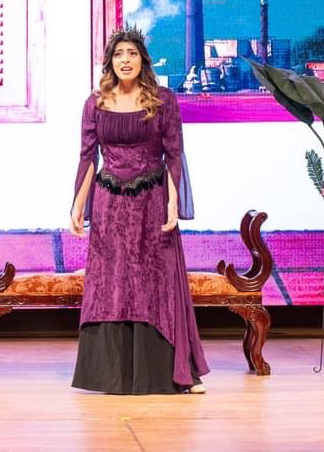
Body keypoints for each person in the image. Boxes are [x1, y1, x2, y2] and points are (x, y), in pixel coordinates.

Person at [70, 26, 209, 395]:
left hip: (151, 203)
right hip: (110, 205)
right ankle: (112, 374)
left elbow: (174, 155)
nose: (125, 60)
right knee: (113, 283)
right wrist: (78, 206)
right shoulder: (96, 103)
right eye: (119, 54)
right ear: (110, 62)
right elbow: (88, 158)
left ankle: (172, 372)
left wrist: (174, 203)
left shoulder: (163, 100)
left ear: (143, 60)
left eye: (132, 53)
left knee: (155, 280)